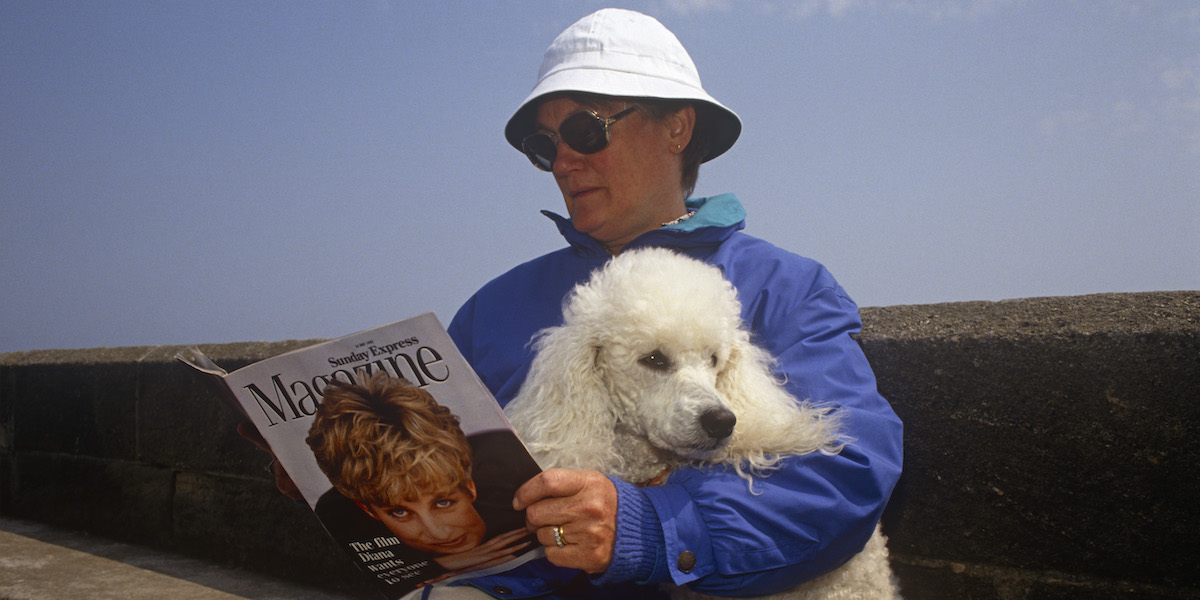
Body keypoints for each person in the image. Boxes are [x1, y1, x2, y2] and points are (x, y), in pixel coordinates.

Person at [249, 8, 902, 599]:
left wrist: (652, 527)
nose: (562, 161)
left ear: (677, 126)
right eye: (543, 145)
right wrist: (326, 468)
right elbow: (455, 477)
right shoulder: (491, 308)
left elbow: (848, 470)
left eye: (586, 130)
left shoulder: (786, 286)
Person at [305, 372, 540, 590]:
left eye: (443, 502)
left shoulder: (509, 462)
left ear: (469, 485)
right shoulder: (338, 509)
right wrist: (443, 564)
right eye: (399, 512)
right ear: (368, 510)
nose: (436, 533)